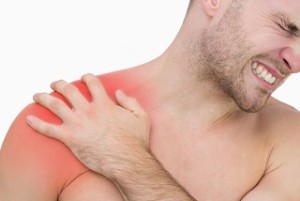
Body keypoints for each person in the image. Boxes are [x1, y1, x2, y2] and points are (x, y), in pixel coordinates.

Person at [1, 0, 300, 200]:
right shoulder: (59, 122)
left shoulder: (289, 141)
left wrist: (128, 159)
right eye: (286, 27)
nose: (296, 61)